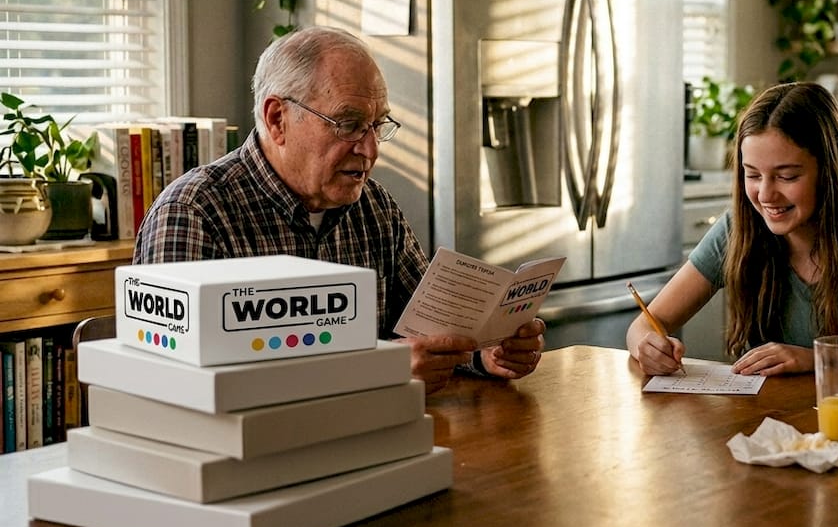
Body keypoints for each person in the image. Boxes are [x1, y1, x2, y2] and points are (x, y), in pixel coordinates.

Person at [133, 25, 545, 393]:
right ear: (277, 119)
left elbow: (430, 331)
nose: (369, 150)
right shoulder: (193, 213)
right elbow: (170, 383)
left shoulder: (375, 207)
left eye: (377, 125)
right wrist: (377, 369)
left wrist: (485, 352)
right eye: (348, 124)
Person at [626, 81, 838, 376]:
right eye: (753, 175)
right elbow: (647, 323)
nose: (766, 195)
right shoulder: (738, 229)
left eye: (786, 177)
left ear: (830, 172)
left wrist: (816, 360)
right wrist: (647, 346)